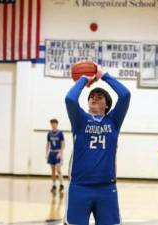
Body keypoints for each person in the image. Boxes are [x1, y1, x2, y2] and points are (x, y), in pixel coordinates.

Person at [64, 65, 130, 225]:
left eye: (99, 97)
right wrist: (84, 79)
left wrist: (104, 75)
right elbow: (70, 99)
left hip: (106, 188)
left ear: (107, 105)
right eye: (92, 96)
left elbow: (125, 94)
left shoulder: (113, 120)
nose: (94, 98)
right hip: (79, 187)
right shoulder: (80, 119)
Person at [46, 119, 65, 192]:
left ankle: (61, 184)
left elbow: (63, 143)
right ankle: (54, 185)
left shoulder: (60, 133)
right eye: (52, 124)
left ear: (57, 124)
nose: (53, 125)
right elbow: (47, 144)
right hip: (52, 152)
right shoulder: (49, 133)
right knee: (53, 170)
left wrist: (61, 152)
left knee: (58, 169)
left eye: (55, 124)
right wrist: (47, 153)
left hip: (58, 152)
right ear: (51, 124)